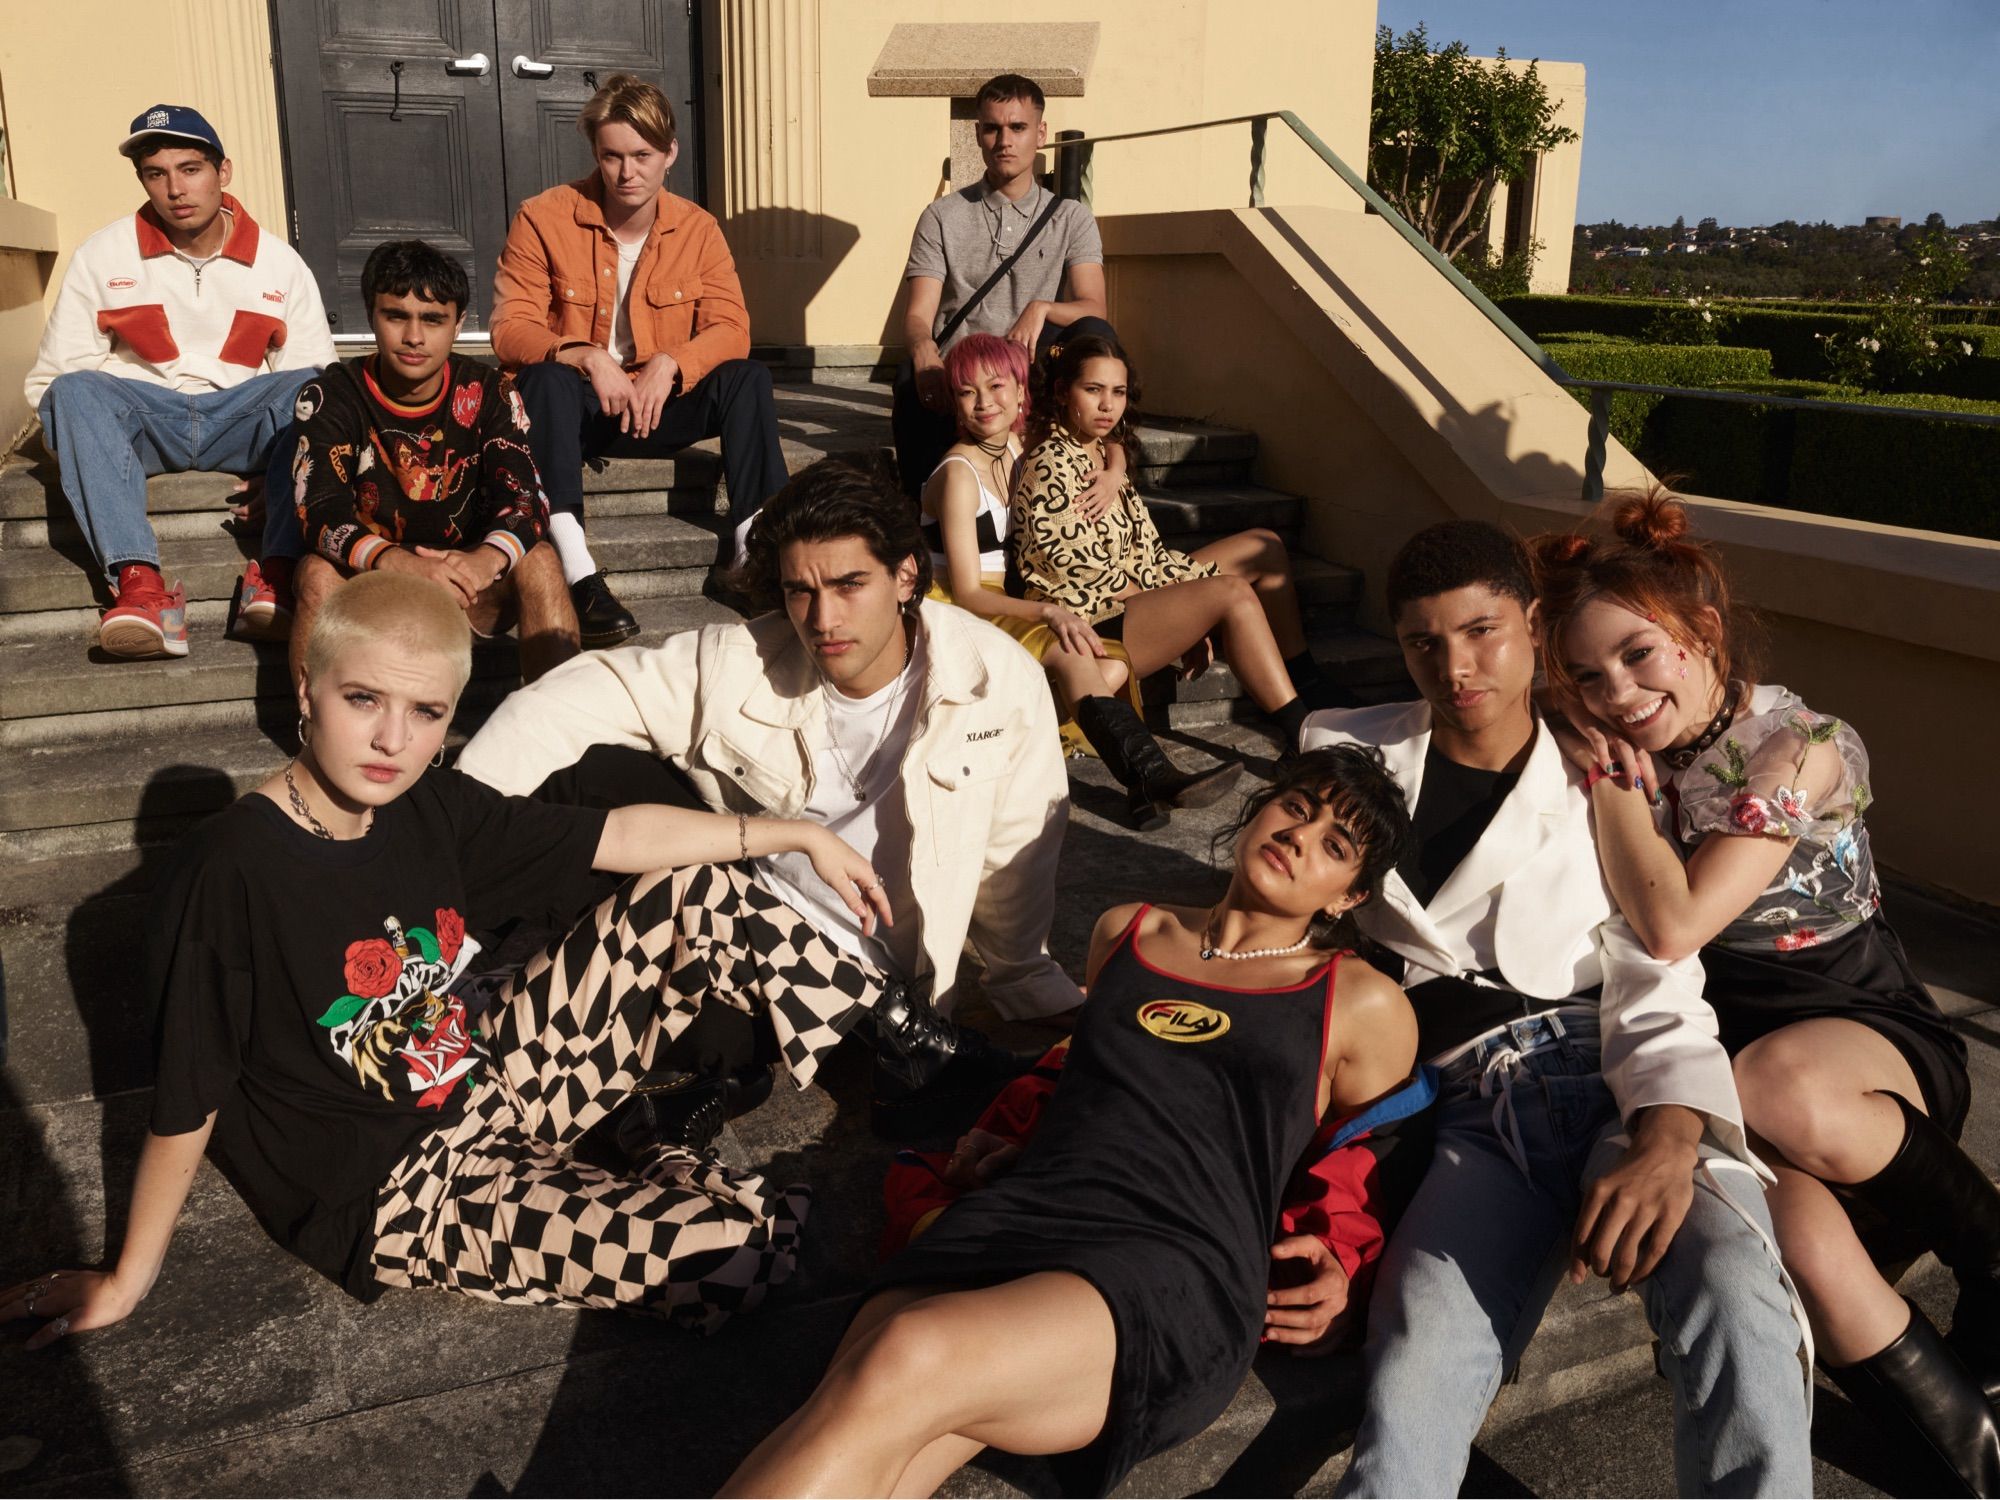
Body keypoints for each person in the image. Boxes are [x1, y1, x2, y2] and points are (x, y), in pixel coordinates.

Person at [0, 570, 905, 1346]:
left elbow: (619, 833)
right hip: (400, 1188)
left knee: (703, 891)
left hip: (485, 1075)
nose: (393, 740)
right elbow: (184, 1103)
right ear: (307, 688)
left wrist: (791, 835)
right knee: (737, 1260)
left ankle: (897, 1056)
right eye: (364, 701)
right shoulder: (229, 871)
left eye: (425, 712)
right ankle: (650, 1154)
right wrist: (127, 1280)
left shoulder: (425, 807)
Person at [721, 747, 1424, 1498]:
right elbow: (1087, 1071)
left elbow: (1367, 1156)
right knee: (870, 1402)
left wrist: (1346, 1264)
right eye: (1296, 808)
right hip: (1025, 1211)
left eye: (1336, 845)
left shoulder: (1359, 1001)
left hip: (1173, 1259)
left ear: (1350, 898)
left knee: (907, 1350)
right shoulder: (1130, 929)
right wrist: (1014, 1133)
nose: (1300, 836)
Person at [1295, 519, 1812, 1498]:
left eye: (1481, 631)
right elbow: (1285, 942)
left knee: (1738, 1303)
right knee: (1412, 1379)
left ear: (1532, 625)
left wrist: (1667, 1135)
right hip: (1466, 1116)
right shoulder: (1343, 751)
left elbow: (1655, 964)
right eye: (1423, 642)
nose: (1454, 667)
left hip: (1614, 1079)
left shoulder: (1610, 774)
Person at [1532, 491, 1997, 1495]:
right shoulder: (1638, 751)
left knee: (1770, 1089)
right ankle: (1969, 1462)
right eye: (1586, 676)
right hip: (1728, 1053)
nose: (1614, 692)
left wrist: (1612, 788)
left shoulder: (1797, 746)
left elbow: (1673, 924)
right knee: (1800, 1248)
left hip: (1856, 1042)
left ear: (1699, 633)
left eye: (1636, 654)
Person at [456, 456, 1071, 1136]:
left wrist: (1023, 983)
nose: (823, 618)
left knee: (701, 1017)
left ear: (905, 575)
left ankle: (719, 1060)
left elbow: (1018, 852)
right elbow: (574, 698)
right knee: (589, 772)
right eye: (800, 591)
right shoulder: (746, 658)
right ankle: (451, 950)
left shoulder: (994, 681)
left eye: (848, 584)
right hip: (744, 893)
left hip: (853, 971)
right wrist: (443, 831)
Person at [24, 104, 335, 660]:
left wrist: (293, 469)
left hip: (241, 421)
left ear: (224, 172)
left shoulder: (278, 263)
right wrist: (99, 455)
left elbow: (315, 385)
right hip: (144, 421)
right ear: (142, 180)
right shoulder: (103, 254)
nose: (175, 189)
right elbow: (51, 383)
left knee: (312, 387)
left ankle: (279, 573)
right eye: (156, 174)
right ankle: (141, 588)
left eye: (190, 169)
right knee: (70, 390)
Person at [492, 73, 787, 646]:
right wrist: (583, 355)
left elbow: (732, 328)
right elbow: (509, 328)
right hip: (578, 413)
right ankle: (577, 573)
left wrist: (672, 362)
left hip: (658, 406)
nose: (628, 173)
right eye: (612, 156)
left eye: (642, 155)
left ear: (670, 152)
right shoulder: (543, 217)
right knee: (548, 379)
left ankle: (753, 556)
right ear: (595, 155)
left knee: (746, 377)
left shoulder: (698, 228)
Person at [923, 332, 1238, 828]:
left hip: (1014, 594)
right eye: (967, 392)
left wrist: (1114, 470)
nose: (986, 402)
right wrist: (1050, 611)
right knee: (1076, 656)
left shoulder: (1016, 445)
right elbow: (966, 592)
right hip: (967, 607)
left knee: (1105, 665)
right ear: (954, 403)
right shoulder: (959, 472)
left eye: (998, 386)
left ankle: (1142, 786)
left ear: (1023, 392)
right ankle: (1151, 775)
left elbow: (1105, 438)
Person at [255, 239, 580, 687]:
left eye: (432, 319)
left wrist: (485, 560)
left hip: (469, 581)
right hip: (370, 584)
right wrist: (403, 565)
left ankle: (566, 734)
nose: (414, 337)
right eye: (396, 316)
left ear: (458, 324)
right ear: (371, 315)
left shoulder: (490, 392)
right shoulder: (331, 395)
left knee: (541, 559)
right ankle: (317, 740)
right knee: (314, 572)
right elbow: (319, 513)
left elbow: (526, 499)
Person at [1013, 335, 1338, 746]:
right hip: (1098, 618)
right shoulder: (1051, 467)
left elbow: (1133, 534)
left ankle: (1307, 681)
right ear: (1062, 392)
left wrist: (1115, 466)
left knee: (1265, 546)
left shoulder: (1098, 447)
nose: (1108, 405)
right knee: (1230, 593)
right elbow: (1088, 578)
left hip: (1147, 574)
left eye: (1118, 392)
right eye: (1093, 390)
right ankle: (1303, 737)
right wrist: (1190, 615)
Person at [892, 72, 1120, 501]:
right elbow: (919, 315)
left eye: (1018, 127)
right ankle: (920, 513)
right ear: (978, 134)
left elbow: (1095, 308)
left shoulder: (1071, 217)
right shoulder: (941, 216)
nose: (1005, 140)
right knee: (910, 377)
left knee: (1096, 337)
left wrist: (1041, 308)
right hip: (963, 368)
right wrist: (924, 351)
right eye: (993, 128)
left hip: (1029, 367)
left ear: (1041, 132)